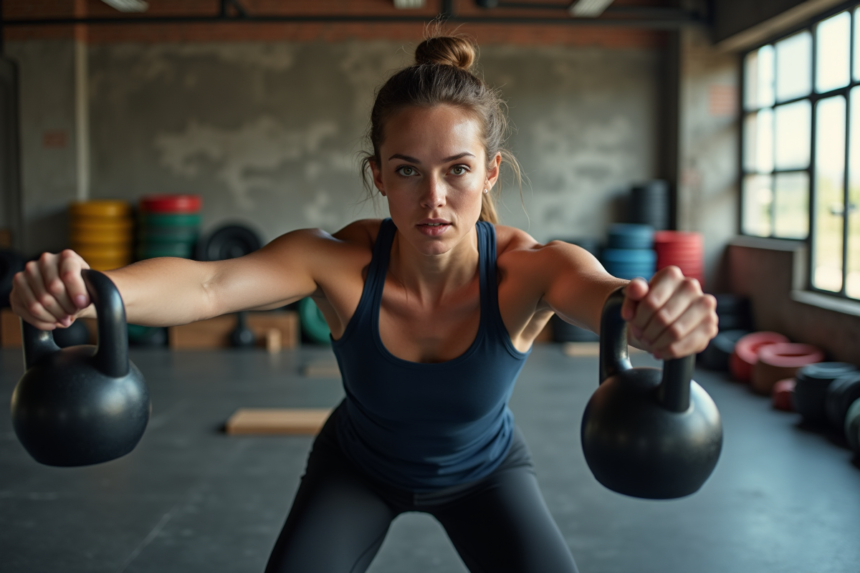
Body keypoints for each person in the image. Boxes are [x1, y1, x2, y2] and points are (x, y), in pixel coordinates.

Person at [10, 34, 718, 573]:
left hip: (486, 473)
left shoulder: (530, 271)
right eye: (408, 170)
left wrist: (655, 315)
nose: (433, 198)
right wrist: (90, 291)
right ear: (377, 174)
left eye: (458, 170)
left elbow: (602, 296)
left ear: (490, 171)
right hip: (358, 467)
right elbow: (208, 285)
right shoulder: (339, 261)